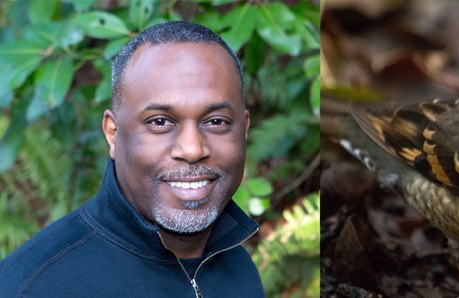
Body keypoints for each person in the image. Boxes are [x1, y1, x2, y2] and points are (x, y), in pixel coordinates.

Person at [0, 21, 265, 297]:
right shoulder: (30, 286)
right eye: (160, 121)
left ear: (244, 130)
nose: (192, 149)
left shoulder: (239, 269)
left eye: (216, 121)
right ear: (113, 134)